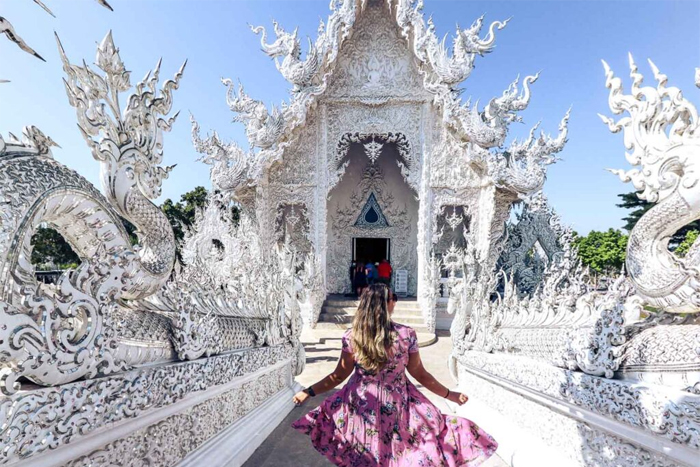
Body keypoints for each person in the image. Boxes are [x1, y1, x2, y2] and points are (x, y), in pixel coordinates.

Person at [291, 284, 498, 466]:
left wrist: (308, 392)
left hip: (361, 406)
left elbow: (338, 376)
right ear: (385, 304)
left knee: (368, 454)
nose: (396, 303)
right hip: (398, 404)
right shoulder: (406, 335)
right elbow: (420, 374)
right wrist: (449, 394)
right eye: (394, 298)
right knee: (402, 452)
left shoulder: (352, 336)